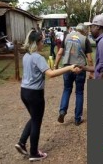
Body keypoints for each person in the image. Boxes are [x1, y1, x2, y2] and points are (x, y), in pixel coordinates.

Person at [15, 30, 78, 161]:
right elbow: (50, 74)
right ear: (36, 43)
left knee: (33, 118)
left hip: (24, 91)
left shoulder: (27, 56)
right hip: (35, 94)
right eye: (42, 41)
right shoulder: (37, 57)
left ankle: (21, 143)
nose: (43, 43)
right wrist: (69, 67)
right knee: (37, 122)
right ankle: (34, 153)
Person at [54, 23, 94, 126]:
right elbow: (89, 58)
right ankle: (77, 118)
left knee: (67, 89)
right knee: (79, 92)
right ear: (84, 31)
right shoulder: (85, 39)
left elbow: (59, 53)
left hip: (67, 67)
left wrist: (55, 66)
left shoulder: (67, 36)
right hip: (80, 68)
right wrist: (91, 72)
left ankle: (62, 111)